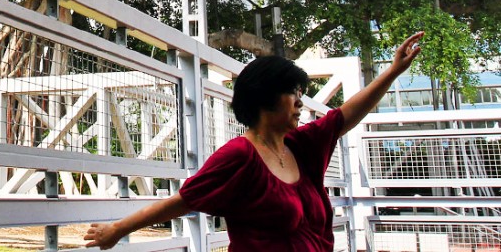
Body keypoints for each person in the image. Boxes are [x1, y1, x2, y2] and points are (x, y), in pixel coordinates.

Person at [84, 32, 425, 251]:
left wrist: (392, 72)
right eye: (292, 92)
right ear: (264, 98)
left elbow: (346, 114)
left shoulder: (302, 147)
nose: (300, 101)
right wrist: (117, 229)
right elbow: (183, 200)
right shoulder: (239, 157)